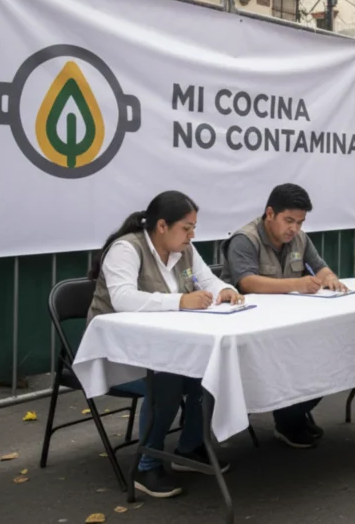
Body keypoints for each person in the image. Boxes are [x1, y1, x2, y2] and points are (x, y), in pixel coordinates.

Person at [88, 191, 241, 498]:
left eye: (193, 227)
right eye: (186, 227)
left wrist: (225, 290)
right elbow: (122, 299)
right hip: (119, 352)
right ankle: (146, 465)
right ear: (161, 226)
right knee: (168, 379)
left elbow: (208, 280)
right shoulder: (126, 249)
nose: (192, 234)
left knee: (207, 369)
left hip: (166, 345)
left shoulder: (184, 249)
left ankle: (189, 449)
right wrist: (181, 301)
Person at [220, 183, 347, 448]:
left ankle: (294, 414)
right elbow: (247, 283)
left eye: (300, 222)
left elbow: (320, 267)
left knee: (328, 360)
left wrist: (331, 279)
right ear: (270, 214)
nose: (294, 229)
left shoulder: (300, 238)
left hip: (287, 324)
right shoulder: (245, 239)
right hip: (247, 328)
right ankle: (289, 418)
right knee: (296, 362)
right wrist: (297, 284)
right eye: (289, 221)